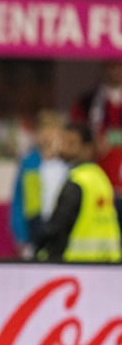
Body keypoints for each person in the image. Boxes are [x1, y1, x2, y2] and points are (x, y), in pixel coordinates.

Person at [31, 122, 121, 262]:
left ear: (88, 148)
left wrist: (42, 251)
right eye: (63, 142)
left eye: (71, 143)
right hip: (107, 263)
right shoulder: (100, 178)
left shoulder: (78, 181)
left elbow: (59, 225)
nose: (64, 148)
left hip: (77, 263)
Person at [71, 60, 122, 237]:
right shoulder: (89, 102)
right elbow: (75, 138)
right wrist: (94, 144)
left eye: (119, 65)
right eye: (111, 65)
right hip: (98, 185)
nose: (115, 69)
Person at [9, 110, 68, 259]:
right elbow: (18, 200)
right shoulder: (29, 163)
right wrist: (21, 237)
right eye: (44, 129)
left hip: (61, 231)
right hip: (34, 228)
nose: (48, 135)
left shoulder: (67, 165)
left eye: (54, 130)